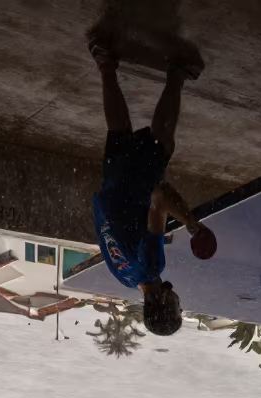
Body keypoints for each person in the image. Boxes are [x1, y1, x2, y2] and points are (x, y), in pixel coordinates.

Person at [89, 38, 217, 336]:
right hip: (111, 193)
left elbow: (162, 196)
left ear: (161, 303)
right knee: (118, 133)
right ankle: (104, 59)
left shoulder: (151, 266)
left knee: (162, 141)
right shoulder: (127, 279)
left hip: (132, 192)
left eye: (176, 308)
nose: (180, 303)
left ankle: (178, 72)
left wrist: (193, 226)